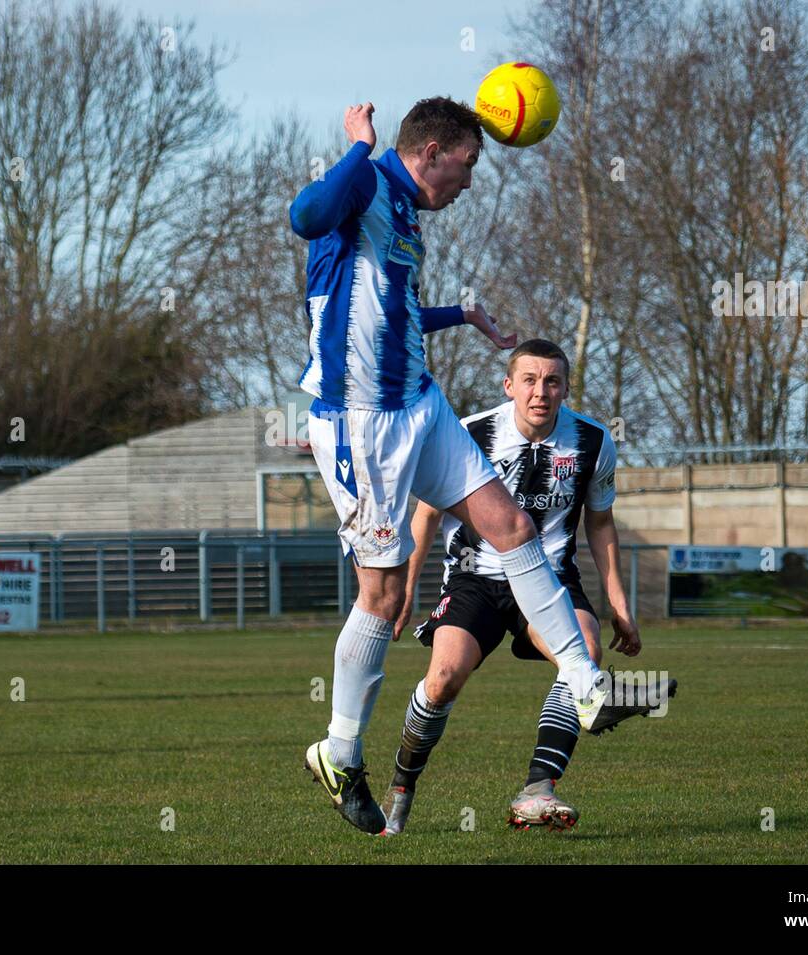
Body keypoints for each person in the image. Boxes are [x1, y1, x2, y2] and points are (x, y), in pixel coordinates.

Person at [289, 98, 607, 836]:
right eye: (467, 165)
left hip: (419, 406)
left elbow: (393, 308)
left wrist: (460, 317)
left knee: (510, 523)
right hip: (361, 420)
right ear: (431, 151)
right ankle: (339, 747)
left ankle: (587, 683)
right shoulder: (365, 183)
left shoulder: (403, 212)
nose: (470, 181)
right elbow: (306, 214)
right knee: (383, 592)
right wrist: (360, 148)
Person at [384, 339, 675, 833]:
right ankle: (401, 784)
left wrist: (619, 605)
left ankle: (538, 791)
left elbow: (600, 524)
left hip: (551, 576)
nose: (541, 391)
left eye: (552, 381)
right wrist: (404, 586)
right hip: (477, 579)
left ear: (565, 387)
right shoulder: (468, 433)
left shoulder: (594, 441)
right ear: (509, 386)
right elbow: (427, 511)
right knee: (443, 679)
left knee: (583, 649)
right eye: (530, 380)